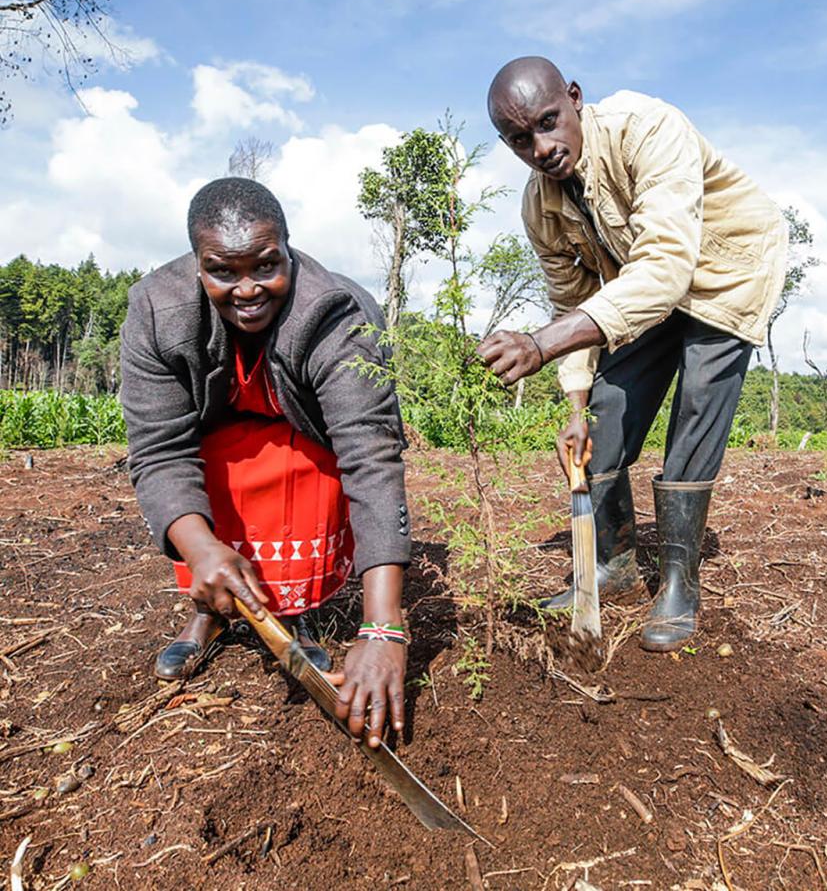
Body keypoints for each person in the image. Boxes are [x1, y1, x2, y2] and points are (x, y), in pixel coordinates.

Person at [477, 57, 787, 652]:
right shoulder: (538, 205)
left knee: (696, 410)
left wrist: (539, 345)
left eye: (548, 122)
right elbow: (570, 299)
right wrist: (575, 405)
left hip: (726, 270)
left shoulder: (646, 128)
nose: (541, 147)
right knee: (606, 414)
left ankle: (678, 583)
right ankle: (611, 567)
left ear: (573, 98)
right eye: (520, 139)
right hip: (643, 290)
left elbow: (668, 266)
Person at [120, 177, 410, 746]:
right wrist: (202, 550)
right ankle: (209, 608)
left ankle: (292, 609)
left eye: (266, 266)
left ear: (287, 248)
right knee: (208, 480)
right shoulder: (157, 310)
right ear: (197, 262)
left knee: (305, 465)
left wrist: (382, 628)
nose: (247, 289)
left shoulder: (335, 314)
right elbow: (159, 450)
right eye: (223, 272)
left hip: (306, 444)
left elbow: (370, 456)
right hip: (216, 444)